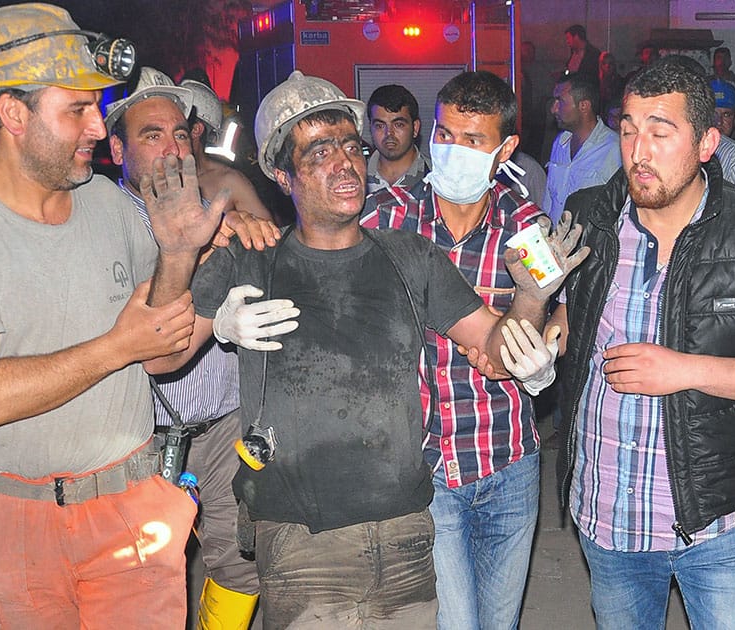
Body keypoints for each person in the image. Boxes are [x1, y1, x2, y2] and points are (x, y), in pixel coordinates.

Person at [153, 70, 586, 628]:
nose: (345, 163)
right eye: (318, 152)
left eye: (349, 146)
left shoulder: (411, 256)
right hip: (302, 539)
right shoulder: (253, 257)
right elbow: (163, 356)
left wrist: (529, 301)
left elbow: (495, 351)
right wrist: (199, 293)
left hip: (406, 531)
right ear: (283, 175)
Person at [0, 5, 248, 627]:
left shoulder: (108, 205)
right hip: (17, 518)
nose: (93, 126)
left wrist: (180, 255)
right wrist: (115, 347)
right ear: (13, 113)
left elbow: (160, 351)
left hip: (132, 505)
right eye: (76, 110)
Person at [554, 55, 735, 629]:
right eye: (628, 130)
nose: (638, 152)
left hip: (718, 520)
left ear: (706, 143)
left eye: (660, 132)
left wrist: (683, 368)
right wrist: (541, 325)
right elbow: (569, 328)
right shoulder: (588, 218)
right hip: (609, 513)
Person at [362, 70, 546, 630]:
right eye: (445, 134)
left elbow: (542, 319)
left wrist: (539, 353)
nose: (454, 151)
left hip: (508, 457)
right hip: (427, 462)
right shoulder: (385, 217)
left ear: (506, 148)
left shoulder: (528, 227)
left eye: (474, 140)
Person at [104, 66, 264, 628]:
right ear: (117, 148)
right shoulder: (99, 222)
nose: (173, 148)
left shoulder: (220, 210)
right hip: (137, 438)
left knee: (241, 561)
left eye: (180, 133)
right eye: (152, 135)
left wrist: (249, 236)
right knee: (143, 573)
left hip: (223, 425)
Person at [180, 76, 276, 223]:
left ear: (196, 130)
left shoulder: (229, 181)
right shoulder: (157, 177)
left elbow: (269, 237)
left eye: (179, 132)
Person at [544, 72, 621, 222]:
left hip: (589, 244)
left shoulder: (613, 149)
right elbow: (549, 201)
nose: (553, 109)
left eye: (560, 101)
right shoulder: (560, 143)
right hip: (554, 242)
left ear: (583, 106)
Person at [365, 83, 430, 194]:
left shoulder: (437, 178)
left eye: (398, 125)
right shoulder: (357, 177)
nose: (389, 133)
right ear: (370, 128)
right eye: (380, 126)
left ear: (415, 128)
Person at [598, 50, 624, 117]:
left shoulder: (619, 81)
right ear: (601, 65)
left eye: (610, 63)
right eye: (604, 63)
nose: (607, 66)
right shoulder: (596, 81)